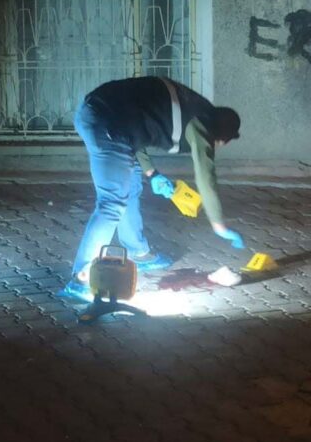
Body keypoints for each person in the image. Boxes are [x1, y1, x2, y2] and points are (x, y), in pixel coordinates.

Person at [58, 76, 245, 302]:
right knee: (111, 203)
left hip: (106, 116)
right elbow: (205, 173)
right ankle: (81, 279)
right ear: (222, 137)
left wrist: (151, 173)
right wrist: (218, 223)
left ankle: (137, 251)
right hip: (106, 122)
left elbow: (137, 125)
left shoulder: (195, 107)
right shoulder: (202, 123)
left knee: (132, 183)